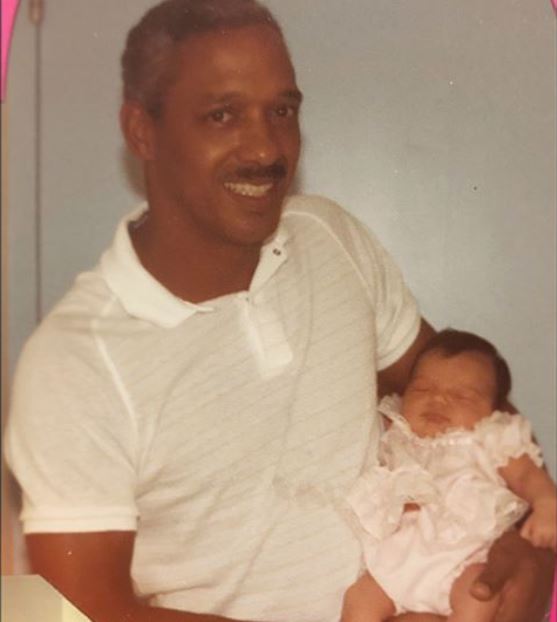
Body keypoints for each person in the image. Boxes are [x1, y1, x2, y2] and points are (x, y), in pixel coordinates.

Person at [3, 1, 554, 621]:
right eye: (222, 115)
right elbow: (77, 611)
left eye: (282, 111)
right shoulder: (74, 364)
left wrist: (527, 546)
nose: (266, 147)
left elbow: (463, 399)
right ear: (142, 132)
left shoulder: (331, 239)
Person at [341, 329, 557, 622]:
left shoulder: (489, 439)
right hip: (396, 562)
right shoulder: (399, 435)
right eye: (421, 389)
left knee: (478, 601)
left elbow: (525, 475)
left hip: (465, 560)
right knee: (359, 599)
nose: (438, 400)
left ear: (494, 411)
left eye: (462, 396)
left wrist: (546, 502)